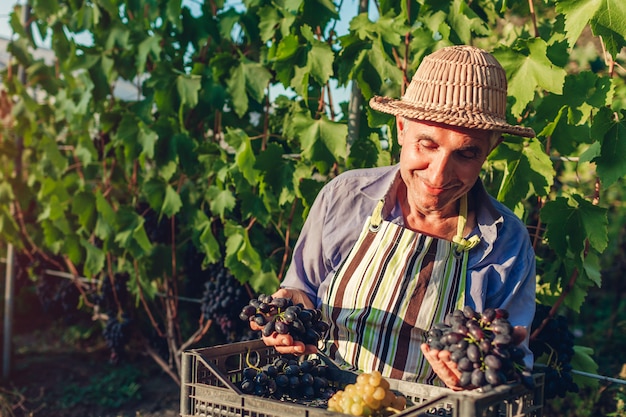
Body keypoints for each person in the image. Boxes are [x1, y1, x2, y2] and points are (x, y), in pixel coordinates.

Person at [252, 45, 537, 389]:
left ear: (490, 150)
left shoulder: (505, 242)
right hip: (320, 399)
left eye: (466, 153)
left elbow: (509, 369)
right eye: (427, 145)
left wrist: (471, 387)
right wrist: (289, 311)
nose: (438, 175)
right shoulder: (346, 197)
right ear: (402, 129)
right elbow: (302, 290)